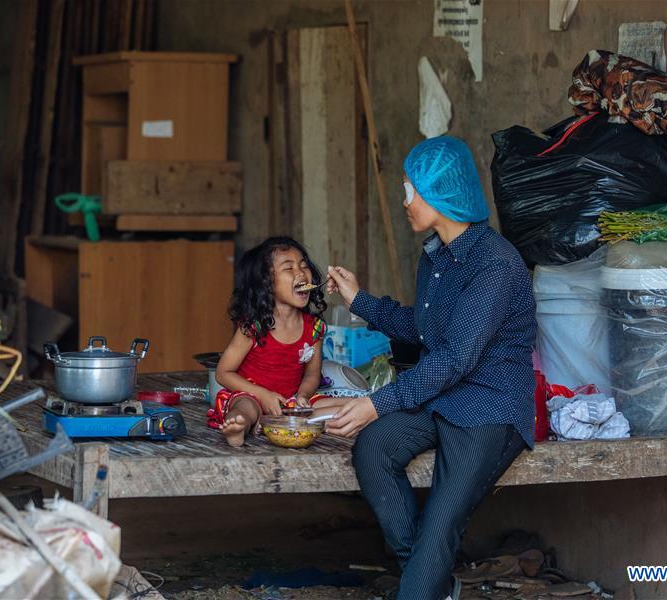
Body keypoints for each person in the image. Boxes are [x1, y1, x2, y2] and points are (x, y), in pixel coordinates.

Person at [325, 136, 536, 600]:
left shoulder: (495, 264)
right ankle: (431, 581)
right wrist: (359, 300)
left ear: (438, 193)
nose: (405, 202)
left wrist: (376, 403)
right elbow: (424, 331)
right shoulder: (436, 255)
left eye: (409, 191)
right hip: (444, 396)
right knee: (374, 448)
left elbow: (457, 357)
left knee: (443, 520)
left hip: (490, 406)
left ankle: (424, 581)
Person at [208, 237, 329, 447]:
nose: (301, 272)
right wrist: (263, 396)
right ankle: (238, 428)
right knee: (245, 408)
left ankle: (359, 416)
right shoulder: (253, 327)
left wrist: (302, 396)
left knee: (337, 407)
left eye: (303, 265)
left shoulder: (314, 328)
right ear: (267, 283)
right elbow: (223, 373)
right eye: (288, 268)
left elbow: (312, 374)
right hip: (252, 395)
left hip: (290, 403)